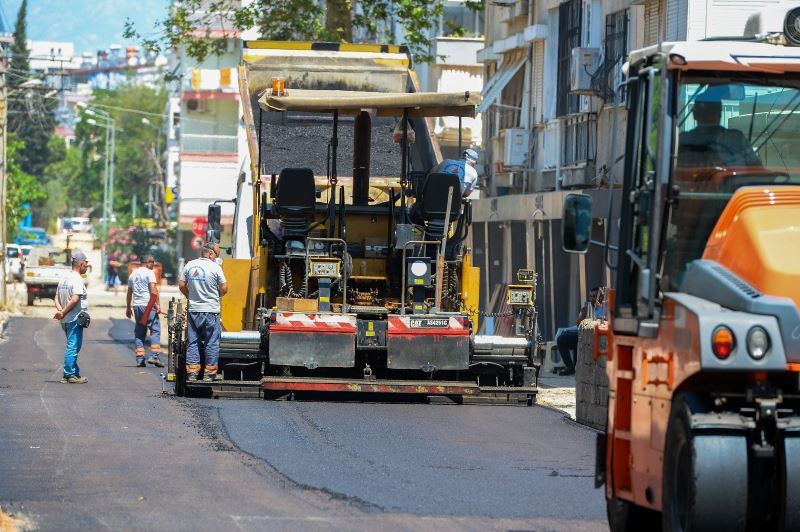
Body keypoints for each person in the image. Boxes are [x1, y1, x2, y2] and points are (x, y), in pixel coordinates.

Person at [179, 242, 228, 382]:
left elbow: (182, 285)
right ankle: (209, 374)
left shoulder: (190, 265)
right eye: (216, 255)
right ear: (211, 254)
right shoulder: (215, 267)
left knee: (193, 341)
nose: (216, 258)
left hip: (194, 310)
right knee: (211, 341)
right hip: (211, 311)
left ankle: (193, 373)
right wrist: (214, 296)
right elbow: (224, 288)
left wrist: (191, 296)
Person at [679, 95, 761, 168]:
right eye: (706, 112)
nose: (708, 115)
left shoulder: (684, 140)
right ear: (720, 114)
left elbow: (758, 171)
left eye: (711, 111)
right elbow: (759, 173)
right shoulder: (736, 139)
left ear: (694, 114)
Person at [53, 250, 90, 384]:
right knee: (73, 347)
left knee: (73, 346)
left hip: (65, 320)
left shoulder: (64, 278)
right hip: (74, 319)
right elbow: (75, 299)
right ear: (80, 264)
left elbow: (56, 298)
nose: (86, 266)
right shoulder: (77, 279)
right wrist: (63, 312)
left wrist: (60, 311)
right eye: (86, 264)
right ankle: (69, 375)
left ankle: (74, 372)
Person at [555, 286, 605, 376]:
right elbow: (578, 324)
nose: (592, 299)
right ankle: (570, 366)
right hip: (583, 332)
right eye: (591, 296)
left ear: (600, 297)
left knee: (575, 341)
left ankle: (574, 366)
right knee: (562, 338)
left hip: (597, 334)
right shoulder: (587, 307)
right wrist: (582, 315)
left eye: (595, 296)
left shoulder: (604, 309)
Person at [126, 255, 163, 368]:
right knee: (155, 329)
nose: (153, 264)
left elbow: (129, 292)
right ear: (146, 262)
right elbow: (153, 289)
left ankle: (140, 359)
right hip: (148, 305)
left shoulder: (133, 274)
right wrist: (157, 305)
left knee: (140, 332)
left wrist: (128, 307)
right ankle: (154, 356)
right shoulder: (149, 272)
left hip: (137, 306)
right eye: (152, 262)